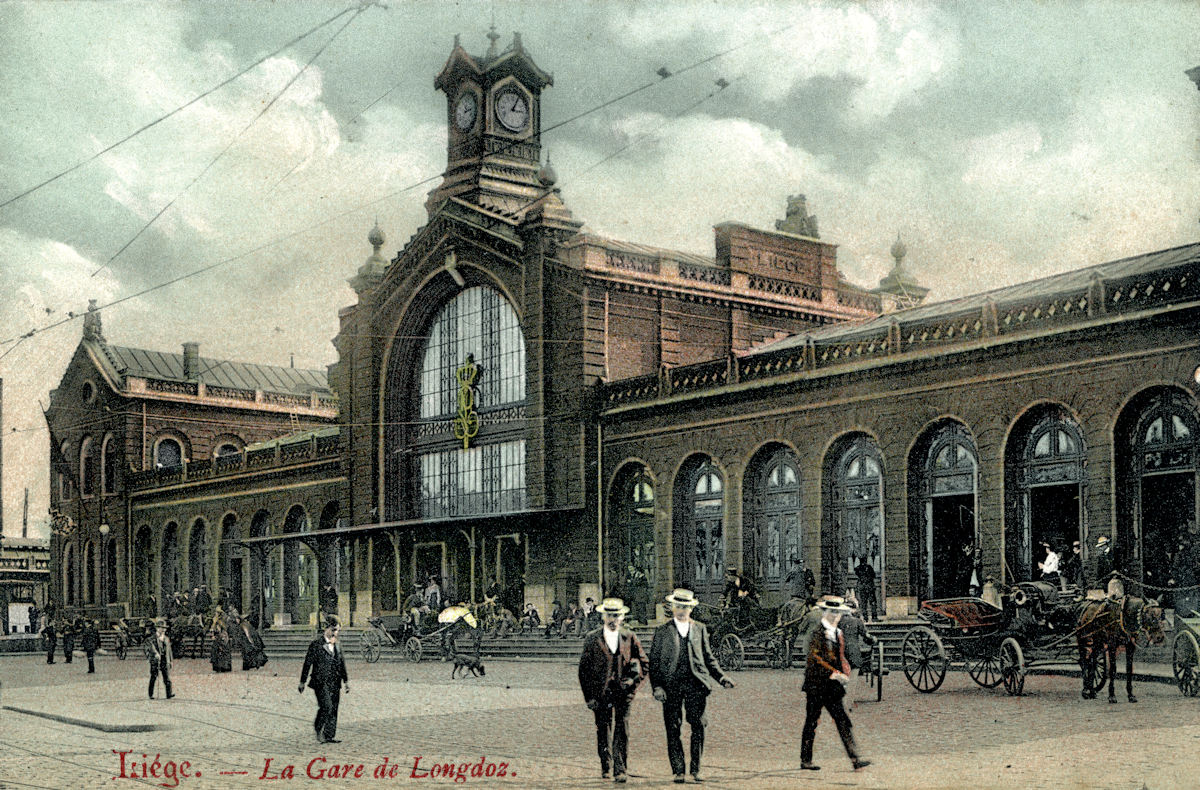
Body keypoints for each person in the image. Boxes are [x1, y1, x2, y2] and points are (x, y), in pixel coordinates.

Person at [648, 588, 735, 784]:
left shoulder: (700, 629)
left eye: (685, 607)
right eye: (678, 606)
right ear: (672, 608)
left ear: (691, 609)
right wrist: (657, 687)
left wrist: (721, 678)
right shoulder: (662, 632)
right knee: (673, 728)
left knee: (699, 726)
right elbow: (653, 663)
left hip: (696, 684)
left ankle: (696, 769)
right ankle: (679, 770)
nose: (681, 610)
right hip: (671, 686)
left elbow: (708, 658)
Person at [578, 598, 649, 783]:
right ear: (603, 616)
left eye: (616, 616)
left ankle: (620, 768)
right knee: (603, 728)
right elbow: (583, 670)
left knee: (622, 728)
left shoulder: (629, 636)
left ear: (622, 617)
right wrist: (589, 697)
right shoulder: (592, 638)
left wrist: (634, 684)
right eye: (609, 615)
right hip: (600, 693)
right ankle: (606, 765)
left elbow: (644, 663)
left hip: (623, 693)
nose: (613, 619)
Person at [800, 596, 869, 772]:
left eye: (837, 613)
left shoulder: (838, 633)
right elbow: (814, 657)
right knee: (812, 721)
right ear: (825, 613)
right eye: (831, 612)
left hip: (831, 687)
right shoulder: (817, 632)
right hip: (816, 685)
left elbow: (839, 657)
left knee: (842, 720)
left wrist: (843, 671)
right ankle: (805, 760)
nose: (834, 616)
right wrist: (835, 673)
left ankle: (855, 758)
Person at [299, 616, 350, 744]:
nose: (335, 633)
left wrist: (346, 681)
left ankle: (329, 736)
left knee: (334, 708)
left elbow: (341, 663)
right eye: (333, 630)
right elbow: (307, 663)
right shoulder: (316, 644)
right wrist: (302, 681)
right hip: (320, 682)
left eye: (337, 630)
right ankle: (318, 728)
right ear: (326, 628)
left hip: (335, 681)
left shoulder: (337, 644)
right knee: (326, 706)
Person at [839, 596, 878, 681]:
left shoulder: (836, 621)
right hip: (854, 654)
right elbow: (866, 636)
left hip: (839, 654)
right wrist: (872, 640)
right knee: (853, 679)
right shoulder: (857, 621)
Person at [777, 590, 809, 669]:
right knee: (785, 640)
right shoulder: (789, 606)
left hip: (796, 626)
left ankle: (789, 661)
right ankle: (784, 661)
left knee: (791, 643)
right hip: (789, 624)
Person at [145, 618, 174, 700]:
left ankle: (169, 694)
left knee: (167, 678)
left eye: (164, 628)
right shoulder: (151, 639)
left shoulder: (166, 638)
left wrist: (171, 661)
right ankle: (151, 694)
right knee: (154, 676)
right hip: (156, 661)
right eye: (162, 628)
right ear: (157, 628)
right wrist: (156, 654)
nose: (164, 630)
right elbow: (151, 647)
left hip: (165, 660)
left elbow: (169, 651)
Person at [209, 608, 232, 672]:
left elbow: (224, 628)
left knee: (223, 651)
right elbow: (212, 628)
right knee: (216, 651)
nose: (216, 614)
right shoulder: (215, 620)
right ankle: (217, 667)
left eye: (217, 613)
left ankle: (224, 667)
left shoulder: (222, 620)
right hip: (217, 637)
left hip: (222, 636)